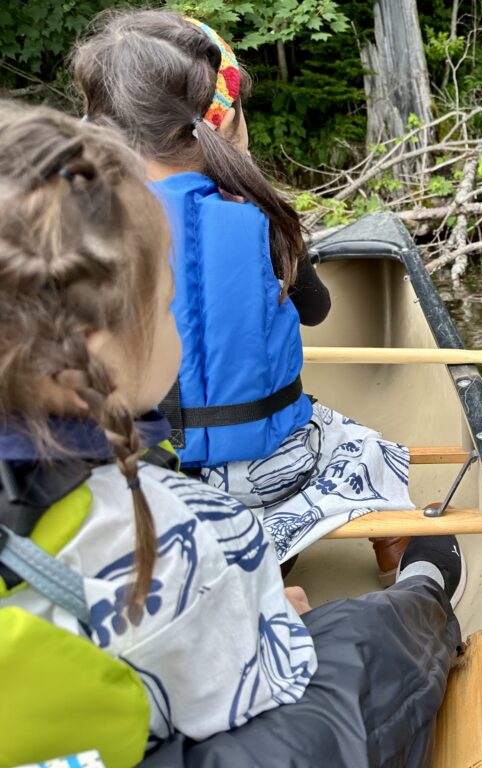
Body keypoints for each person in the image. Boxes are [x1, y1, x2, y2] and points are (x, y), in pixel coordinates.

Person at [0, 102, 463, 765]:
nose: (176, 326)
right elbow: (246, 687)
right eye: (165, 309)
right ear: (93, 350)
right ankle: (421, 588)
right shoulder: (177, 529)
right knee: (358, 639)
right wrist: (263, 616)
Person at [71, 10, 411, 581]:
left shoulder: (73, 227)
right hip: (267, 475)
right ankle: (392, 547)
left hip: (150, 485)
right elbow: (318, 311)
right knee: (370, 450)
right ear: (225, 124)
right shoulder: (262, 217)